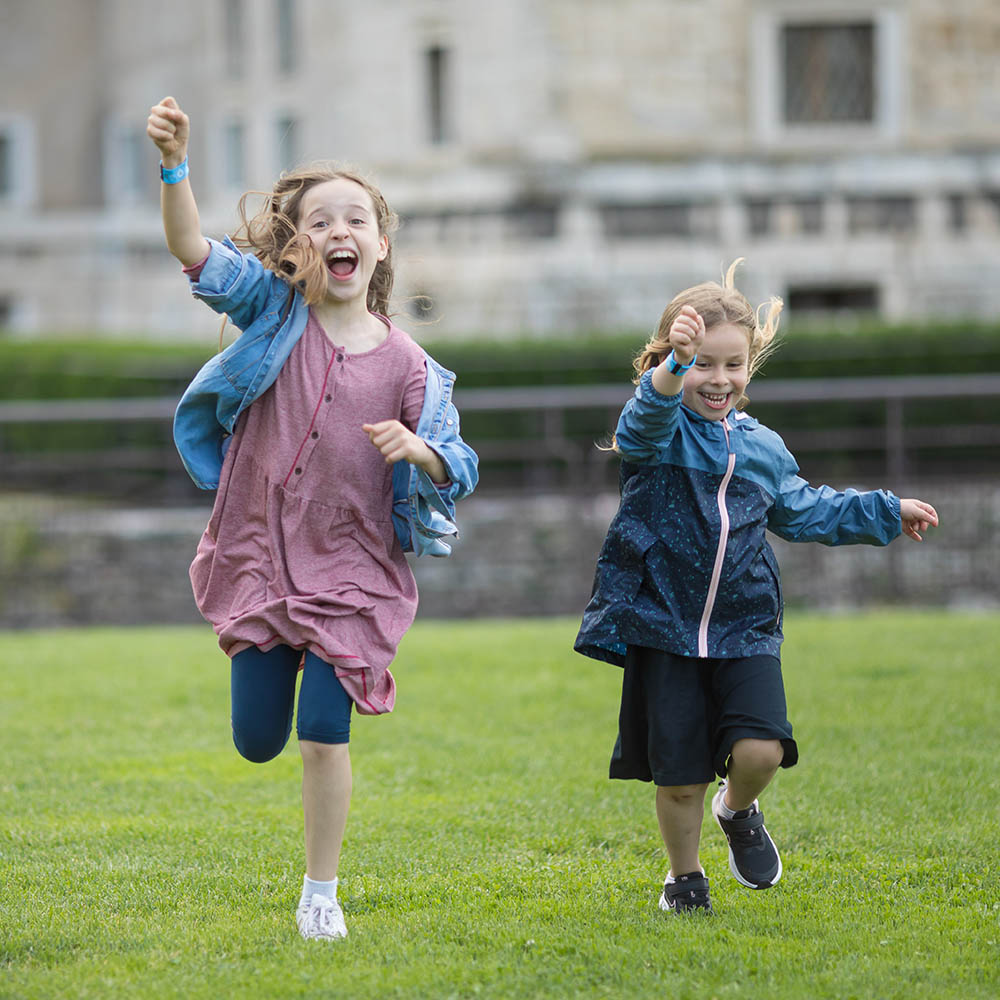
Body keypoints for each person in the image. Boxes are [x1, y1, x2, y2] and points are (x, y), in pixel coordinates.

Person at [146, 96, 478, 940]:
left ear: (379, 244)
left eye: (356, 218)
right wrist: (176, 166)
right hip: (259, 556)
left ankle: (319, 892)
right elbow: (191, 250)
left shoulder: (413, 368)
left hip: (355, 572)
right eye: (319, 221)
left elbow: (461, 464)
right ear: (298, 248)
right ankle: (274, 664)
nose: (340, 230)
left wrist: (422, 451)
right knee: (259, 741)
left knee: (325, 732)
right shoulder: (272, 313)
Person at [574, 260, 938, 915]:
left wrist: (886, 510)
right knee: (679, 777)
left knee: (763, 750)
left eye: (732, 365)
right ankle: (684, 880)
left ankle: (738, 810)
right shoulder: (658, 432)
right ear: (673, 360)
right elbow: (638, 424)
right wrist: (672, 367)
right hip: (665, 627)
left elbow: (806, 509)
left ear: (749, 365)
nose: (719, 380)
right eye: (701, 365)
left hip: (746, 627)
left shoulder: (763, 447)